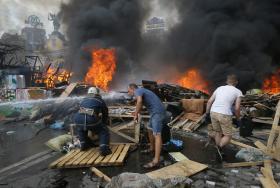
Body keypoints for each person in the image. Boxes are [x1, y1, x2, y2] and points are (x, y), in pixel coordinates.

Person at [128, 83, 167, 169]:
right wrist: (136, 111)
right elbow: (141, 104)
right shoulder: (142, 91)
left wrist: (136, 114)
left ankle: (156, 161)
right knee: (149, 128)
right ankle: (152, 148)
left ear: (132, 88)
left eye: (129, 91)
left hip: (157, 113)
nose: (128, 93)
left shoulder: (138, 90)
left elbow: (139, 101)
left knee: (157, 134)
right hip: (155, 113)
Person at [206, 74, 243, 160]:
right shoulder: (238, 91)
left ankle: (219, 148)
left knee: (218, 132)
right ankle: (218, 148)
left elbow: (209, 102)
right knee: (228, 136)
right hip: (225, 114)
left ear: (227, 81)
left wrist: (207, 114)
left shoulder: (219, 88)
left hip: (213, 112)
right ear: (236, 82)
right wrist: (238, 119)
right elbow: (237, 108)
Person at [74, 87, 112, 156]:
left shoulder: (83, 100)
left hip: (78, 118)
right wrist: (103, 123)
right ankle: (104, 149)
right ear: (97, 94)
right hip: (90, 118)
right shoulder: (99, 100)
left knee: (81, 129)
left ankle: (83, 145)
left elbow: (79, 108)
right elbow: (105, 113)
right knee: (103, 131)